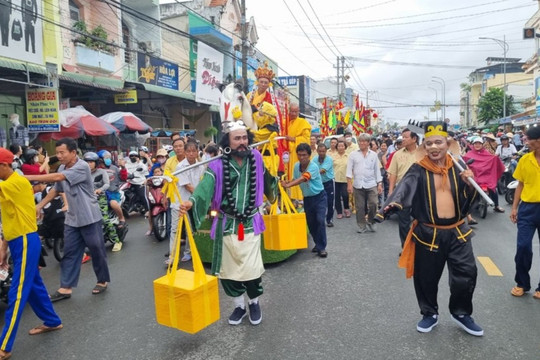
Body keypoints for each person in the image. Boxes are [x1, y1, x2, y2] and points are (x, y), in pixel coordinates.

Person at [375, 121, 483, 337]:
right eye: (430, 143)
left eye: (438, 142)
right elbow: (404, 188)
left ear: (447, 144)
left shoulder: (458, 166)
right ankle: (429, 313)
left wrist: (470, 184)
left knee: (467, 273)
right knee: (426, 277)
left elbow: (468, 201)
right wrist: (392, 204)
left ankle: (461, 313)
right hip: (428, 234)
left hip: (458, 232)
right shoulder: (418, 169)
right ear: (425, 147)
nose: (434, 147)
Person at [179, 120, 278, 326]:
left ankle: (254, 302)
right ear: (228, 141)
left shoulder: (257, 158)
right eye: (237, 139)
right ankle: (239, 305)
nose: (242, 142)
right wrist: (192, 202)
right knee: (228, 270)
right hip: (226, 224)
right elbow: (205, 187)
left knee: (251, 269)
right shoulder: (216, 165)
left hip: (250, 223)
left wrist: (274, 189)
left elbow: (267, 179)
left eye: (244, 138)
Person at [26, 138, 110, 301]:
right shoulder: (64, 167)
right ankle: (66, 287)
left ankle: (102, 280)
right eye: (57, 152)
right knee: (70, 252)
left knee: (97, 250)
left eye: (62, 152)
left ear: (73, 152)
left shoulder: (82, 166)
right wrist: (40, 205)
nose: (59, 155)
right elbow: (56, 190)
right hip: (72, 219)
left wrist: (26, 177)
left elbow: (57, 178)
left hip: (89, 217)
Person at [0, 148, 63, 360]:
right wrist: (4, 247)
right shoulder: (9, 183)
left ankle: (5, 345)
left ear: (5, 165)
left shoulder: (14, 183)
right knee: (34, 286)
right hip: (19, 241)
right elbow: (11, 218)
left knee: (17, 293)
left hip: (26, 240)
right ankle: (52, 321)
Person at [509, 126, 540, 299]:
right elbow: (520, 184)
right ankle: (522, 283)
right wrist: (514, 207)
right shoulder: (525, 159)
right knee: (523, 247)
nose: (525, 142)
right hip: (527, 209)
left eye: (529, 139)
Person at [282, 143, 328, 258]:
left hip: (319, 197)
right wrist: (286, 182)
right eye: (299, 155)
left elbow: (303, 178)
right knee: (311, 223)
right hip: (307, 198)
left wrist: (289, 185)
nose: (302, 157)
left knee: (320, 220)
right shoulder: (296, 166)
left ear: (309, 155)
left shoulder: (313, 166)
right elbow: (295, 178)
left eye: (304, 155)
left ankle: (322, 247)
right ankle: (317, 243)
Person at [170, 141, 205, 263]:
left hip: (192, 202)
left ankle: (188, 252)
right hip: (179, 203)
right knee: (175, 229)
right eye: (188, 151)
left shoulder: (201, 166)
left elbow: (202, 183)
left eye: (193, 151)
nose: (191, 154)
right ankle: (172, 257)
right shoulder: (180, 167)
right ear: (185, 153)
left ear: (197, 152)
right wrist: (200, 195)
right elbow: (188, 186)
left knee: (190, 229)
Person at [84, 152, 122, 252]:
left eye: (91, 162)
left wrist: (100, 190)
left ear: (96, 163)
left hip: (100, 198)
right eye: (87, 162)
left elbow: (106, 184)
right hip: (87, 199)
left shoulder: (101, 172)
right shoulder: (83, 174)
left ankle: (116, 241)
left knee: (104, 219)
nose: (89, 164)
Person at [387, 129, 419, 247]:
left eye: (405, 137)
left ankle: (420, 247)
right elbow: (393, 174)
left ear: (414, 139)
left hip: (420, 191)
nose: (402, 139)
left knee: (421, 220)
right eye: (402, 137)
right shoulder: (397, 154)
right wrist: (391, 192)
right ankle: (406, 247)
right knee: (403, 221)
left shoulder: (423, 153)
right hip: (402, 192)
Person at [346, 133, 382, 233]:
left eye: (364, 141)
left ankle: (371, 221)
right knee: (360, 207)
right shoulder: (353, 155)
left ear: (368, 143)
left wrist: (379, 183)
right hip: (358, 184)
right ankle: (361, 225)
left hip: (372, 184)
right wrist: (349, 184)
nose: (362, 143)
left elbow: (377, 170)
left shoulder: (374, 155)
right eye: (360, 141)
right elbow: (349, 170)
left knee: (374, 204)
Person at [463, 137, 506, 215]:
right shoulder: (469, 154)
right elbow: (464, 161)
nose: (477, 145)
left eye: (479, 143)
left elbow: (492, 159)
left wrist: (495, 158)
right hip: (474, 176)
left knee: (493, 189)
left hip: (486, 176)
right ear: (473, 144)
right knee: (466, 189)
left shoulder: (487, 153)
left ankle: (496, 206)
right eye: (476, 143)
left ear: (482, 144)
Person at [285, 103, 311, 201]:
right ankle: (288, 196)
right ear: (289, 111)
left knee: (297, 173)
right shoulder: (285, 122)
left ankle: (299, 198)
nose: (294, 113)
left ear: (298, 112)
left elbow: (306, 139)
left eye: (296, 112)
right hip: (286, 154)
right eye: (292, 111)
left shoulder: (302, 123)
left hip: (297, 154)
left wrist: (293, 139)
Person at [98, 150, 125, 228]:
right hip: (100, 193)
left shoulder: (115, 168)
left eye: (109, 157)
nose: (108, 159)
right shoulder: (97, 170)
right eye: (106, 158)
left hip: (113, 192)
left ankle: (121, 218)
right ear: (100, 159)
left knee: (113, 203)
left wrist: (123, 168)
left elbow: (123, 178)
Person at [125, 151, 151, 234]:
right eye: (131, 156)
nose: (133, 157)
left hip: (139, 182)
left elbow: (145, 170)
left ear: (137, 157)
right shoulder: (127, 164)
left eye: (135, 156)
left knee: (142, 195)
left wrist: (139, 162)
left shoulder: (140, 164)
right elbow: (123, 172)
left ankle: (148, 209)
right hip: (129, 182)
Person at [312, 143, 335, 227]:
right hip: (318, 183)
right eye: (320, 151)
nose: (321, 153)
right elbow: (311, 168)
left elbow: (322, 171)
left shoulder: (329, 159)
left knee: (330, 201)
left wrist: (311, 174)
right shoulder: (314, 159)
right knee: (318, 201)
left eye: (323, 151)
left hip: (328, 182)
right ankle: (319, 219)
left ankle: (329, 220)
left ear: (326, 151)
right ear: (317, 151)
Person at [333, 140, 350, 219]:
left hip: (345, 179)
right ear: (337, 147)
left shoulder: (348, 156)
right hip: (335, 179)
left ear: (345, 147)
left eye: (342, 146)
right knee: (336, 196)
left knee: (345, 195)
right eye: (339, 146)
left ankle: (346, 209)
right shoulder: (333, 156)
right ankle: (339, 212)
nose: (341, 148)